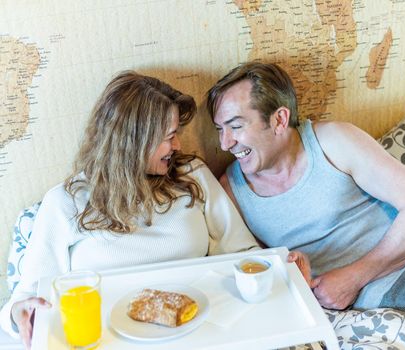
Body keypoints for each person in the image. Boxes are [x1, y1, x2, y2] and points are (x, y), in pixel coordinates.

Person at [206, 61, 405, 350]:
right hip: (363, 310)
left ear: (279, 119)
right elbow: (261, 269)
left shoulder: (333, 140)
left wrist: (354, 276)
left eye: (235, 126)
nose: (225, 143)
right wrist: (293, 268)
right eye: (220, 129)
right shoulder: (231, 190)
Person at [0, 71, 259, 349]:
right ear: (132, 142)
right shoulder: (66, 201)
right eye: (169, 136)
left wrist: (284, 268)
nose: (178, 146)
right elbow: (27, 295)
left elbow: (244, 254)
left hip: (199, 333)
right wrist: (18, 314)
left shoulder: (192, 175)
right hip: (107, 341)